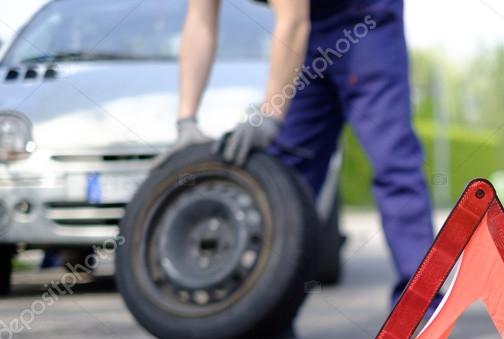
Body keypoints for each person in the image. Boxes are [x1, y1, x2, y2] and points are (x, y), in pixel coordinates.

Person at [168, 0, 436, 311]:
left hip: (365, 21)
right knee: (289, 176)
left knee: (393, 163)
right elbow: (200, 22)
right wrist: (186, 121)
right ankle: (270, 312)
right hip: (309, 29)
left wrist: (269, 115)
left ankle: (422, 307)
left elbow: (293, 18)